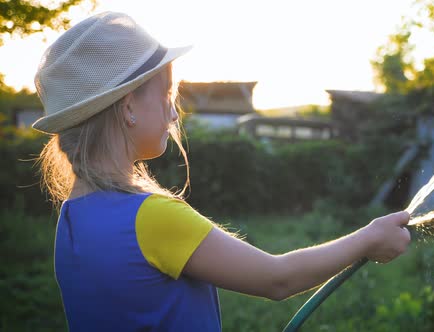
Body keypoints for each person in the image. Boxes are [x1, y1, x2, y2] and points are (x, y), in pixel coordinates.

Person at [33, 12, 411, 331]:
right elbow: (277, 278)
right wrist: (367, 238)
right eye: (167, 95)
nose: (173, 112)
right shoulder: (151, 216)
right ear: (128, 106)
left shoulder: (72, 216)